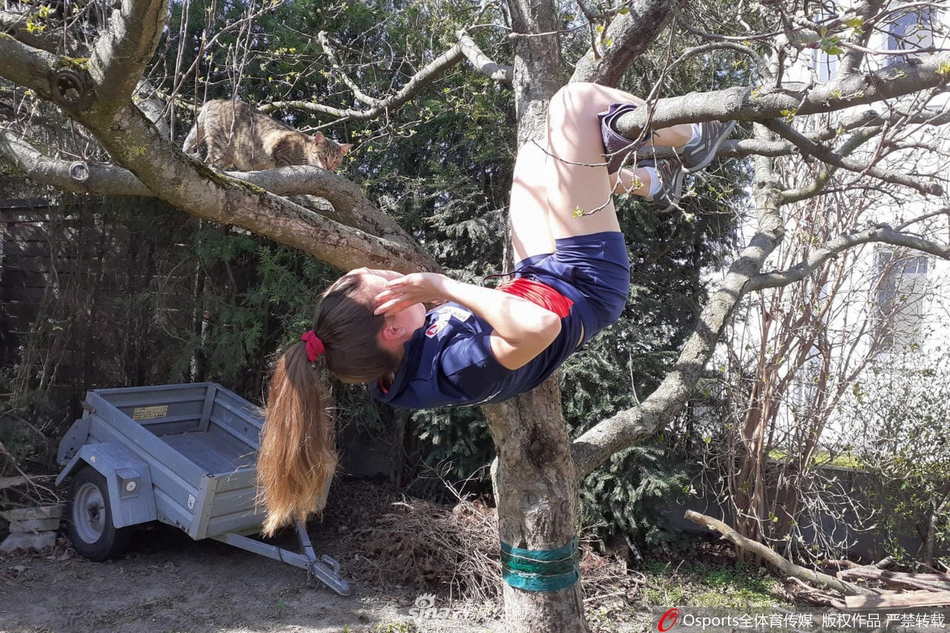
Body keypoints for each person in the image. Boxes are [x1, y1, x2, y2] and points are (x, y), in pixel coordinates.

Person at [257, 82, 736, 534]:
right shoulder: (453, 371)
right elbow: (541, 325)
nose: (398, 279)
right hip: (584, 282)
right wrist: (443, 287)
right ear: (394, 330)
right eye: (390, 287)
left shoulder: (378, 362)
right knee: (574, 104)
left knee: (536, 152)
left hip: (538, 276)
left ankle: (647, 181)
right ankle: (695, 136)